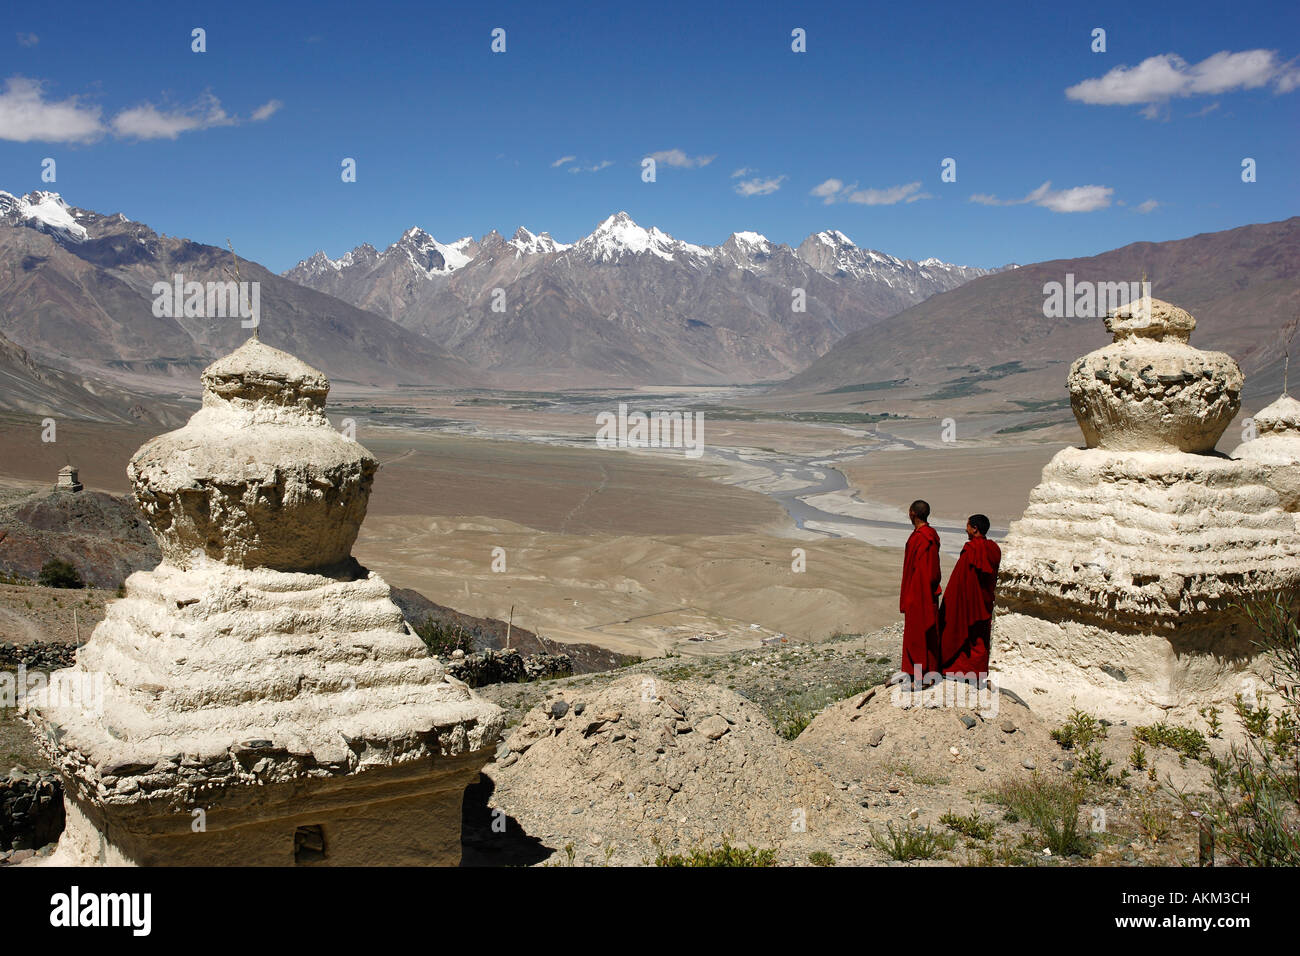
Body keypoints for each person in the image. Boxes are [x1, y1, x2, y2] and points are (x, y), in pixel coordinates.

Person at [938, 514, 1001, 682]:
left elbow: (960, 580)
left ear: (974, 528)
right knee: (979, 637)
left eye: (967, 525)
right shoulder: (994, 549)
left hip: (967, 602)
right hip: (984, 601)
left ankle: (956, 670)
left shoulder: (972, 550)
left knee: (961, 632)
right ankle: (977, 673)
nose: (965, 528)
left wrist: (950, 602)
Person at [897, 499, 941, 685]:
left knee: (918, 635)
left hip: (919, 592)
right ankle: (926, 673)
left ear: (912, 513)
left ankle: (920, 675)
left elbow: (924, 570)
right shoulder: (930, 534)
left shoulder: (921, 537)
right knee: (925, 633)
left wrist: (915, 595)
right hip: (926, 591)